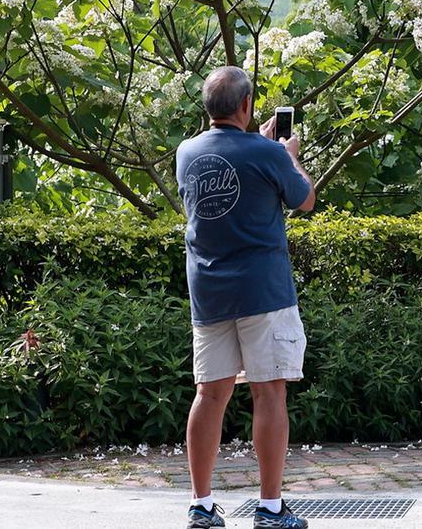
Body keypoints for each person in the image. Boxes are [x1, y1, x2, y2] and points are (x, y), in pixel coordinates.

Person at [176, 66, 315, 529]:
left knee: (209, 396)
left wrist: (261, 143)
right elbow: (304, 199)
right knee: (269, 392)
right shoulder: (268, 153)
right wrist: (288, 154)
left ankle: (201, 505)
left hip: (209, 294)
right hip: (263, 292)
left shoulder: (186, 152)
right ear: (245, 105)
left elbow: (229, 164)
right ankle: (271, 509)